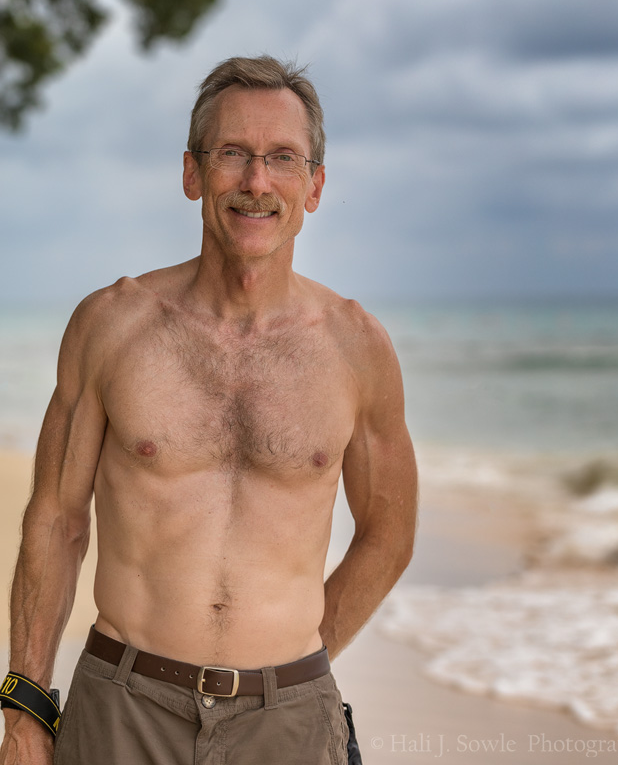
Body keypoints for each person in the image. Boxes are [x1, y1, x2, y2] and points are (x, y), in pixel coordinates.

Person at [0, 55, 418, 765]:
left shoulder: (356, 347)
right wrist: (25, 708)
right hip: (123, 710)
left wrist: (297, 665)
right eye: (232, 154)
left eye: (282, 158)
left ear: (314, 186)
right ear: (192, 173)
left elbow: (389, 533)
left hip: (288, 723)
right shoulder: (111, 326)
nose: (256, 182)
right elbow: (57, 518)